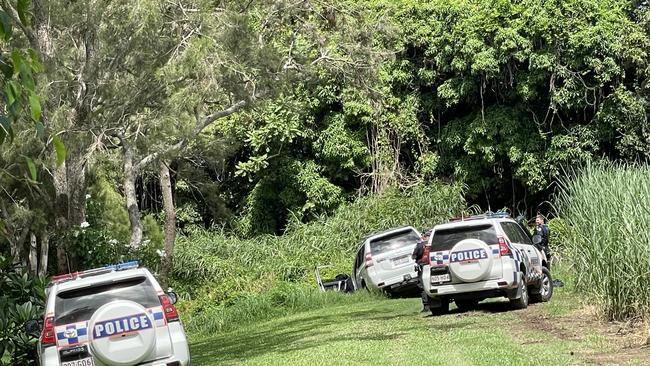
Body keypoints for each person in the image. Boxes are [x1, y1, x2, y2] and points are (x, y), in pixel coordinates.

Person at [412, 229, 432, 312]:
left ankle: (426, 306)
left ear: (424, 237)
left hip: (423, 267)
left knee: (423, 286)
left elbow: (413, 256)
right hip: (433, 266)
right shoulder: (434, 243)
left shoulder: (419, 245)